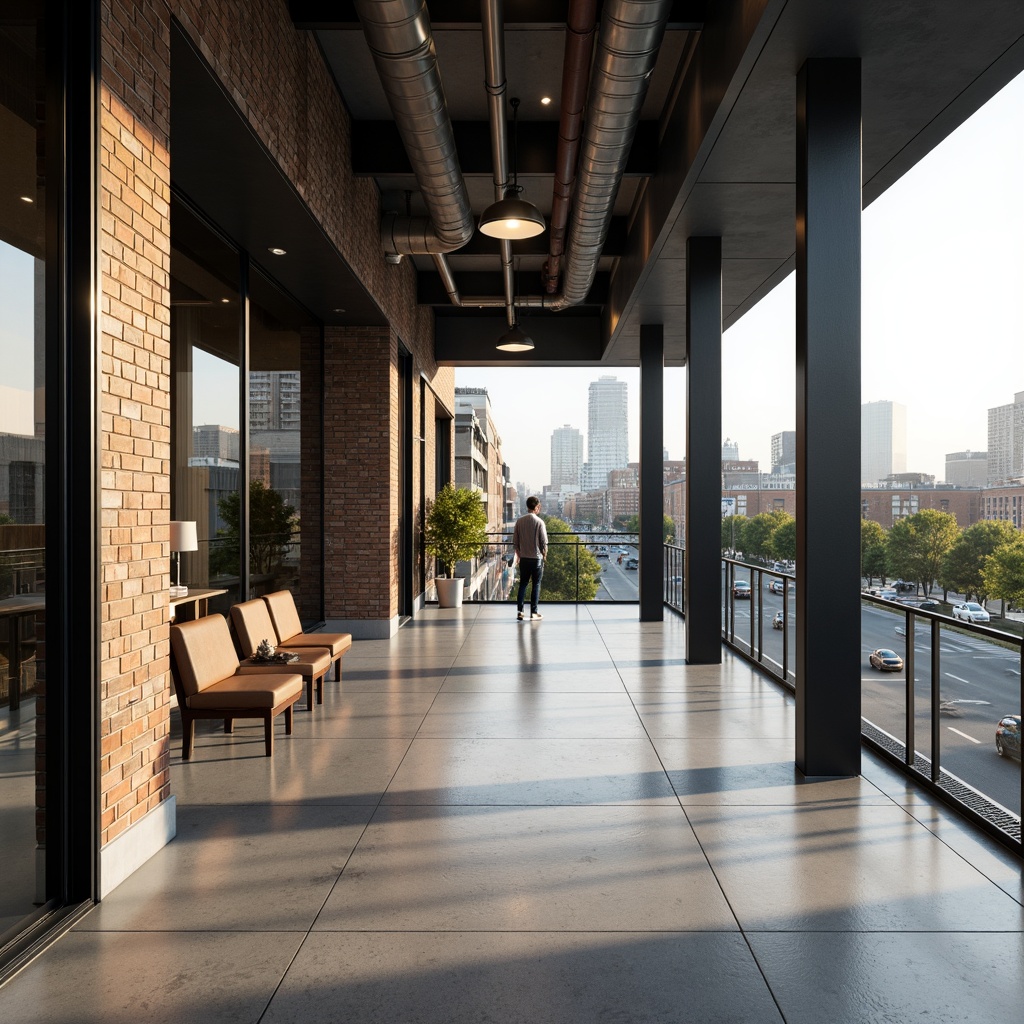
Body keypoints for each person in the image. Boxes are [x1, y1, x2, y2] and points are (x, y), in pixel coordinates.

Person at [513, 495, 548, 621]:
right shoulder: (539, 522)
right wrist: (544, 555)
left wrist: (519, 554)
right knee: (536, 584)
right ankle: (534, 612)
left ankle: (520, 611)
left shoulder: (519, 521)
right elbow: (544, 542)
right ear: (537, 507)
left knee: (523, 584)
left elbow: (515, 542)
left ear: (527, 506)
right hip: (536, 558)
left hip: (524, 558)